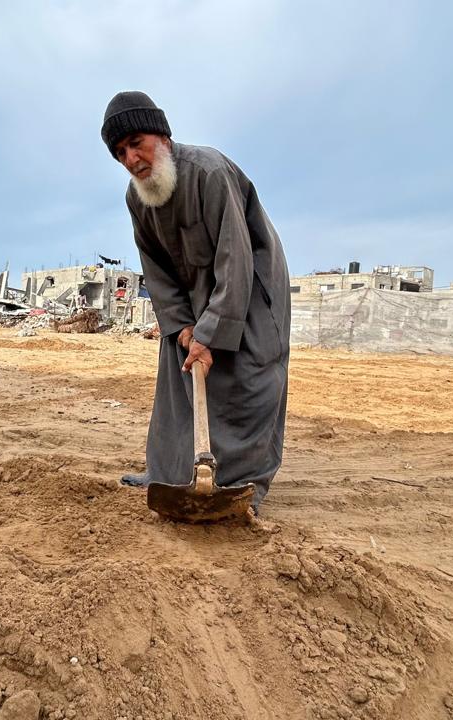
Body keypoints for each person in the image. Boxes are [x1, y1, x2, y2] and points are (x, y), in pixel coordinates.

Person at [101, 91, 291, 513]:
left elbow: (235, 256)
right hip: (189, 296)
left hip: (252, 284)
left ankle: (243, 486)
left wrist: (211, 332)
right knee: (178, 372)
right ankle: (170, 472)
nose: (131, 159)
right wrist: (184, 326)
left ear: (163, 137)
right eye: (120, 153)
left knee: (249, 379)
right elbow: (156, 271)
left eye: (137, 143)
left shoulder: (209, 171)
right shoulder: (138, 199)